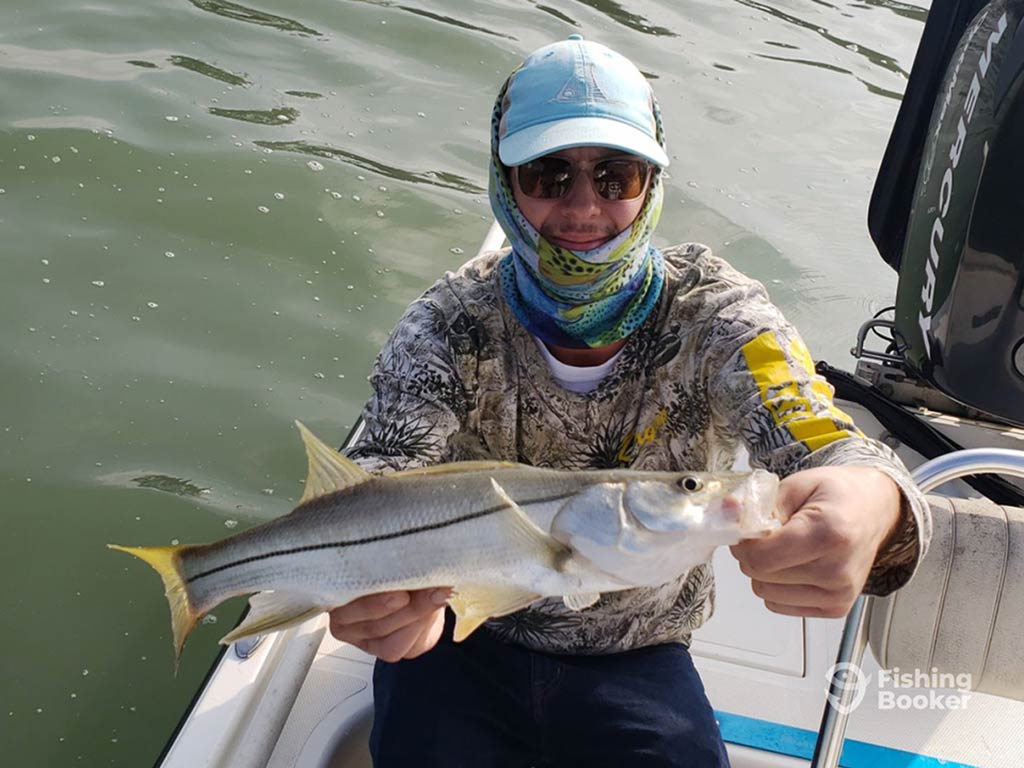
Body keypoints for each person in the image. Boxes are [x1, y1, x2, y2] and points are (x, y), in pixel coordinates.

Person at [329, 35, 930, 767]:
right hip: (455, 631)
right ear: (503, 181)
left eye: (617, 175)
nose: (583, 208)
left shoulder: (721, 318)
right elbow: (378, 478)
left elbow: (825, 436)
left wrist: (876, 505)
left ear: (652, 182)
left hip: (637, 650)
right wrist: (368, 592)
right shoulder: (448, 325)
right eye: (548, 175)